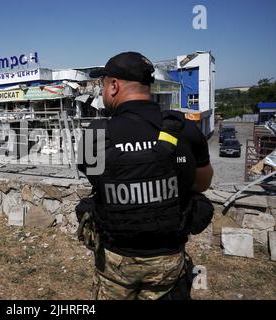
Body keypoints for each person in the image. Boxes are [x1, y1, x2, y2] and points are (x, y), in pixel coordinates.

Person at [77, 52, 214, 300]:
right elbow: (202, 184)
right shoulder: (186, 128)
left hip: (115, 261)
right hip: (168, 261)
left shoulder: (93, 135)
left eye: (103, 85)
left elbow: (100, 184)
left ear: (114, 86)